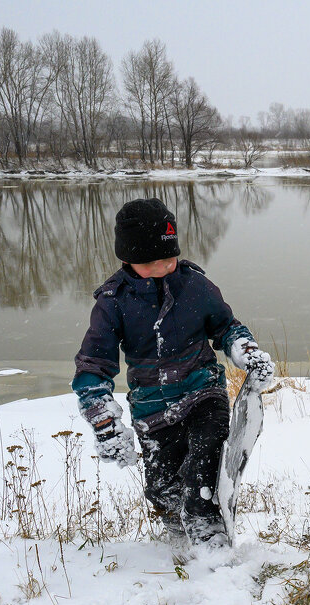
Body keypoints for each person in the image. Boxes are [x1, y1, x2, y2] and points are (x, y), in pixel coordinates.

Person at [72, 198, 274, 557]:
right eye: (151, 262)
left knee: (203, 469)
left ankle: (211, 541)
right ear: (127, 259)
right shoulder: (113, 302)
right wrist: (104, 421)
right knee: (162, 487)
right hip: (152, 407)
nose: (164, 267)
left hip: (202, 393)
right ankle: (179, 535)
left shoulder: (195, 286)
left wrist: (246, 351)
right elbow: (93, 368)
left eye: (170, 258)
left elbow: (227, 327)